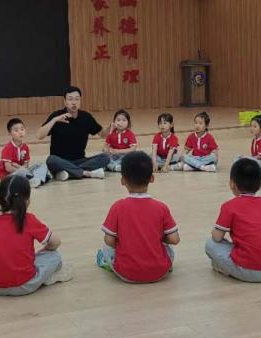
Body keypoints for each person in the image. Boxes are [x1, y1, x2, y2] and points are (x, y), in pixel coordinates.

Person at [0, 174, 74, 296]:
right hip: (23, 285)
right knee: (55, 256)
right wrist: (44, 251)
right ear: (27, 200)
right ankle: (47, 278)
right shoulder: (28, 220)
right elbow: (56, 242)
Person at [96, 151, 180, 282]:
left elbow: (109, 240)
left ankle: (105, 262)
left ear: (123, 181)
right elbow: (174, 239)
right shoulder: (161, 207)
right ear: (152, 178)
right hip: (159, 273)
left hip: (126, 273)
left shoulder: (117, 207)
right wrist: (160, 239)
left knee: (105, 249)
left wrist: (124, 243)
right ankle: (164, 265)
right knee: (168, 250)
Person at [207, 158, 261, 282]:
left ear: (232, 184)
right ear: (260, 185)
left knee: (210, 244)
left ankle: (226, 269)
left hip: (249, 270)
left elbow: (217, 238)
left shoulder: (229, 206)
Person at [37, 86, 109, 181]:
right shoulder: (57, 116)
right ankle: (85, 173)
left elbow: (103, 134)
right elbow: (39, 135)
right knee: (51, 160)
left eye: (77, 99)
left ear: (80, 101)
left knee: (105, 157)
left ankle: (68, 173)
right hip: (60, 161)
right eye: (70, 99)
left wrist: (112, 127)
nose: (74, 102)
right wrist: (54, 120)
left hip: (80, 161)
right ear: (65, 102)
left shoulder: (86, 117)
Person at [0, 118, 49, 187]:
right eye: (16, 130)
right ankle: (34, 179)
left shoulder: (25, 147)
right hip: (9, 176)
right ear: (10, 133)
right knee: (22, 174)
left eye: (22, 129)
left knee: (41, 165)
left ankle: (34, 180)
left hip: (21, 171)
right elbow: (8, 168)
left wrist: (18, 166)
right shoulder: (7, 148)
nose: (20, 132)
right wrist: (22, 171)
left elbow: (26, 165)